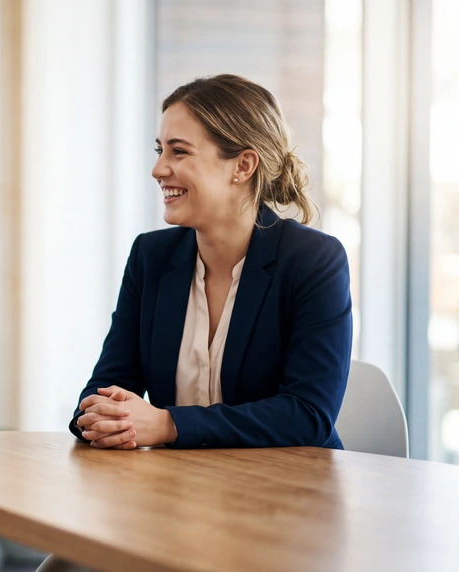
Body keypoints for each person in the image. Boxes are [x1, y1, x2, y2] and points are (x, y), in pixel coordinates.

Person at [40, 74, 352, 572]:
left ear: (242, 166)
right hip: (173, 501)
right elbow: (103, 390)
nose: (158, 168)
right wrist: (103, 416)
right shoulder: (151, 257)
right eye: (160, 149)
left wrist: (166, 423)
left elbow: (307, 414)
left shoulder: (313, 260)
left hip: (286, 513)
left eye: (179, 151)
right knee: (65, 565)